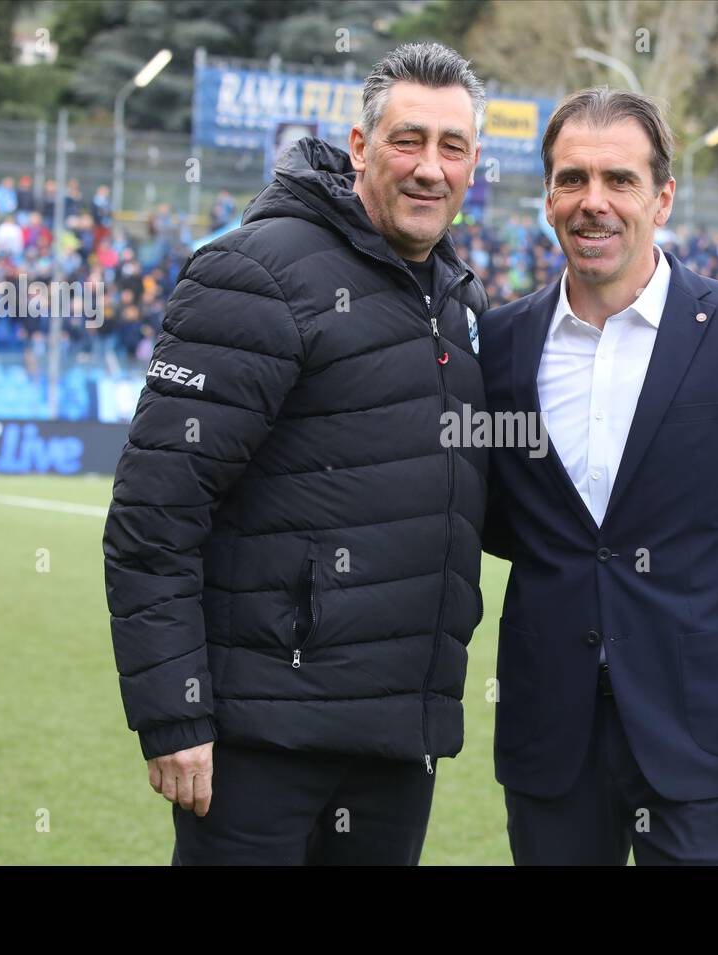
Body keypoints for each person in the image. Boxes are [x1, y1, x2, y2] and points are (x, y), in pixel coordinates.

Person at [103, 42, 489, 866]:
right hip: (261, 742)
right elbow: (153, 515)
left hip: (396, 741)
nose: (429, 168)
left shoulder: (459, 298)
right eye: (406, 140)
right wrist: (175, 713)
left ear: (474, 164)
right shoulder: (255, 271)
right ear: (359, 147)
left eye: (451, 147)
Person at [480, 88, 718, 865]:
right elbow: (499, 520)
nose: (593, 203)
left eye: (619, 180)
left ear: (662, 196)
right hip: (551, 737)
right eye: (572, 179)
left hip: (706, 744)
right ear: (547, 196)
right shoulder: (502, 341)